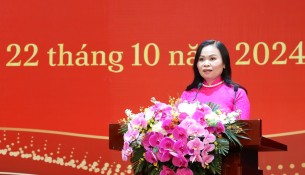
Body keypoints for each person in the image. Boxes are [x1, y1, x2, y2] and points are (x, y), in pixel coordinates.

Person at [180, 40, 250, 120]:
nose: (206, 64)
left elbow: (242, 130)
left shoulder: (236, 93)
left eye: (212, 59)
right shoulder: (188, 94)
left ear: (224, 64)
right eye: (201, 59)